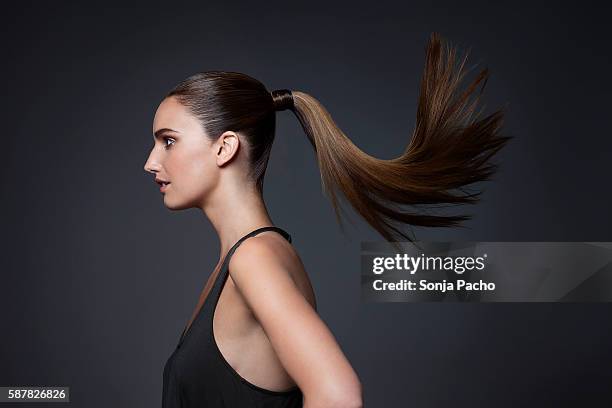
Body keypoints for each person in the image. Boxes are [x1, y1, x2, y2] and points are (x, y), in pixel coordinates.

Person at [143, 32, 510, 407]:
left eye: (168, 141)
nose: (151, 162)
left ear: (225, 147)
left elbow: (338, 395)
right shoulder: (245, 260)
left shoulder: (254, 259)